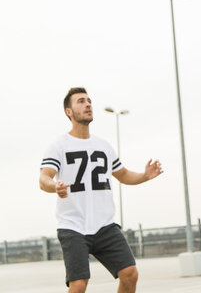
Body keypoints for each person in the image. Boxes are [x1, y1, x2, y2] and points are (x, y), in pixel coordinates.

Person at [39, 87, 163, 293]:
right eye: (80, 101)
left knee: (130, 274)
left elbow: (122, 175)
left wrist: (144, 176)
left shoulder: (103, 146)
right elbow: (44, 178)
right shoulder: (59, 145)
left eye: (89, 101)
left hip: (104, 225)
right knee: (78, 285)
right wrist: (55, 186)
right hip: (73, 225)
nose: (87, 104)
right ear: (69, 112)